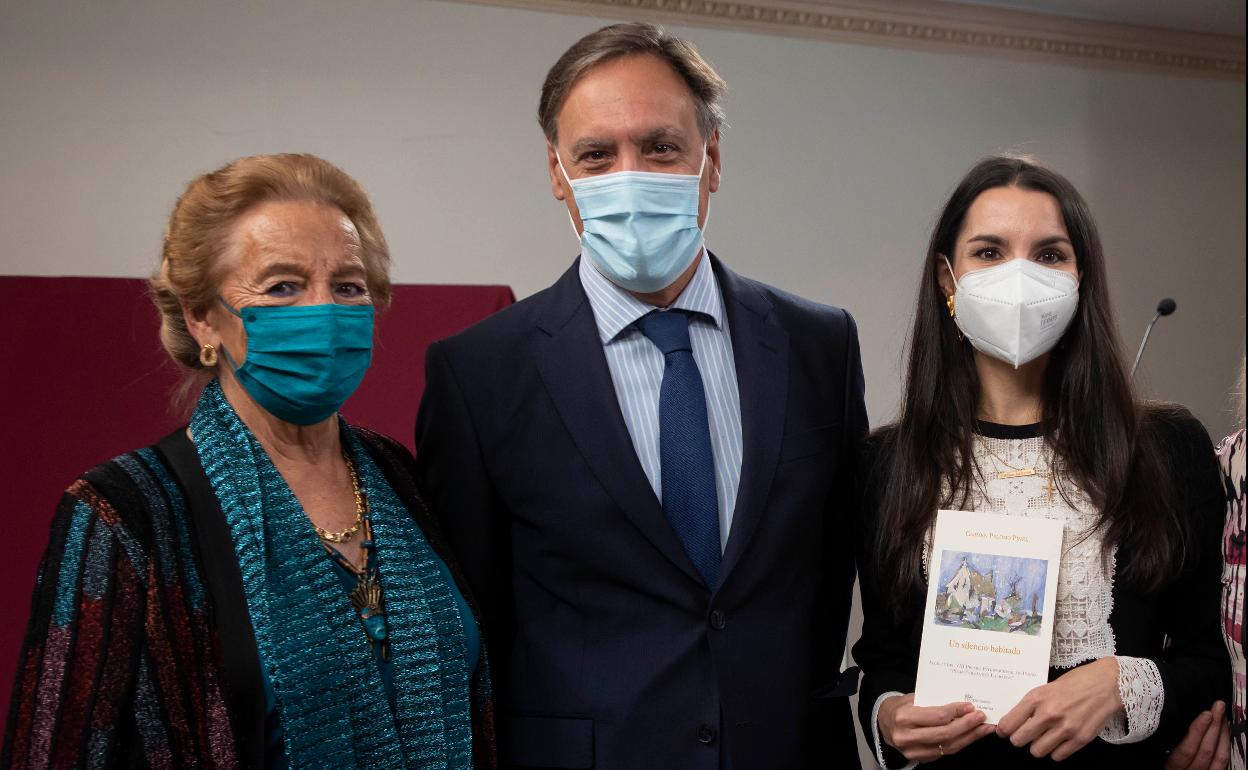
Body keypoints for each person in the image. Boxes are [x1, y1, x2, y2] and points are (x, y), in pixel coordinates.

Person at [415, 22, 866, 770]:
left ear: (710, 159)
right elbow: (473, 627)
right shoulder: (479, 374)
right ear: (558, 175)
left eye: (661, 147)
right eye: (596, 155)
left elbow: (832, 573)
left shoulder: (818, 344)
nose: (631, 175)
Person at [2, 153, 494, 768]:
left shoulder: (399, 475)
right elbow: (53, 749)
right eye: (282, 287)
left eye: (347, 286)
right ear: (202, 317)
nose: (324, 312)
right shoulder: (125, 513)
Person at [853, 154, 1229, 768]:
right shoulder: (886, 463)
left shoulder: (1168, 445)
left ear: (1080, 279)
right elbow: (884, 664)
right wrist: (889, 716)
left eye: (1050, 254)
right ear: (948, 280)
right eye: (990, 252)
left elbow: (1211, 664)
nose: (1020, 275)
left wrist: (1120, 682)